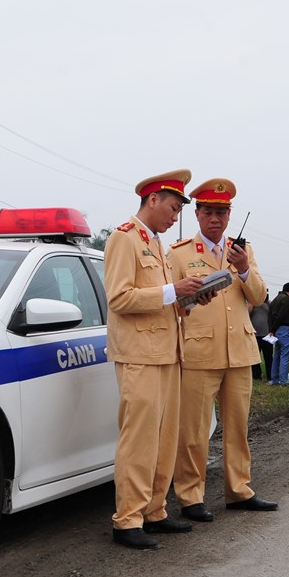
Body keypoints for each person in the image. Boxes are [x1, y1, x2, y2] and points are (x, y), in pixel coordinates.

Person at [104, 169, 213, 550]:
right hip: (139, 356)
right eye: (173, 208)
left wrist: (189, 298)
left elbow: (164, 301)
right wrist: (172, 290)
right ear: (153, 200)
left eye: (179, 209)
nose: (175, 216)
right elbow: (119, 298)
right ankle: (127, 519)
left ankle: (154, 510)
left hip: (167, 353)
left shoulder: (155, 244)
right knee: (139, 440)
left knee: (164, 440)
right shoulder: (124, 239)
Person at [169, 178, 277, 520]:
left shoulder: (242, 252)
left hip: (240, 352)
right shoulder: (179, 253)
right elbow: (172, 304)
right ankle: (191, 497)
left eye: (222, 212)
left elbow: (259, 297)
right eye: (209, 212)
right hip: (199, 353)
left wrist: (243, 268)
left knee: (238, 428)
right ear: (197, 214)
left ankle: (239, 490)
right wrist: (190, 296)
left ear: (230, 216)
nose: (215, 219)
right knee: (193, 431)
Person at [267, 282, 289, 386]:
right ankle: (283, 381)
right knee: (285, 356)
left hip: (275, 331)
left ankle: (274, 379)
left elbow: (270, 316)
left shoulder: (275, 300)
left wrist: (272, 329)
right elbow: (281, 316)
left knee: (277, 355)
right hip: (283, 328)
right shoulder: (286, 299)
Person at [250, 293, 273, 381]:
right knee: (255, 357)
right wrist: (253, 300)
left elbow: (273, 310)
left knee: (269, 357)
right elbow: (248, 312)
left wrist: (266, 300)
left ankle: (270, 376)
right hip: (255, 335)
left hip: (267, 335)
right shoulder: (252, 304)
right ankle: (256, 376)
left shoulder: (268, 304)